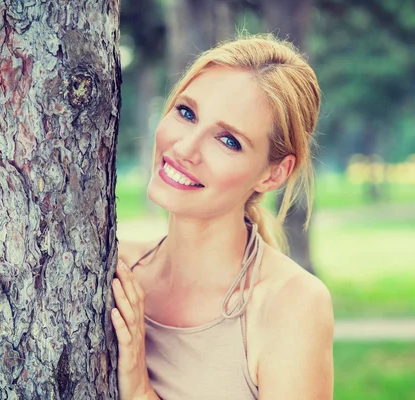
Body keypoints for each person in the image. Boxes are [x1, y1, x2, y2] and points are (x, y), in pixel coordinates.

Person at [109, 33, 334, 400]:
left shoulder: (289, 304)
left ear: (274, 174)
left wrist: (139, 390)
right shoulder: (113, 267)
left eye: (228, 140)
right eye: (186, 113)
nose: (184, 148)